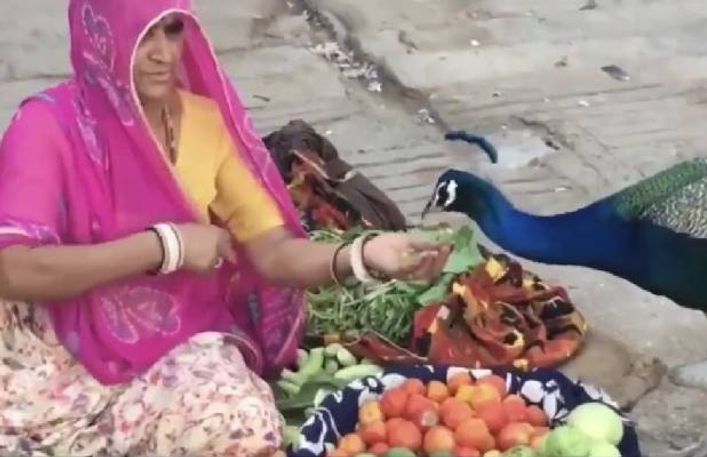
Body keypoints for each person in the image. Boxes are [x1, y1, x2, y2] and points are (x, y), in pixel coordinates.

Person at [0, 1, 451, 456]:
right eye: (142, 37)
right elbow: (12, 270)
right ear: (99, 37)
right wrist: (167, 246)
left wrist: (365, 254)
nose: (163, 54)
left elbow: (272, 252)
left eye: (172, 31)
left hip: (170, 341)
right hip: (50, 343)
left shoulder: (202, 124)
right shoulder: (47, 126)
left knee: (247, 429)